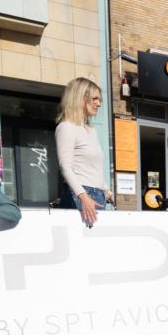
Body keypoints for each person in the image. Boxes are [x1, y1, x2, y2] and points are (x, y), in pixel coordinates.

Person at [56, 77, 112, 227]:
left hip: (97, 194)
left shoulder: (91, 130)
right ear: (80, 97)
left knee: (94, 246)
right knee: (80, 246)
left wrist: (105, 188)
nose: (98, 103)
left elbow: (94, 166)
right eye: (94, 98)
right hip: (80, 195)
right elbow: (65, 167)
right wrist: (83, 196)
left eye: (99, 99)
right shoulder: (67, 127)